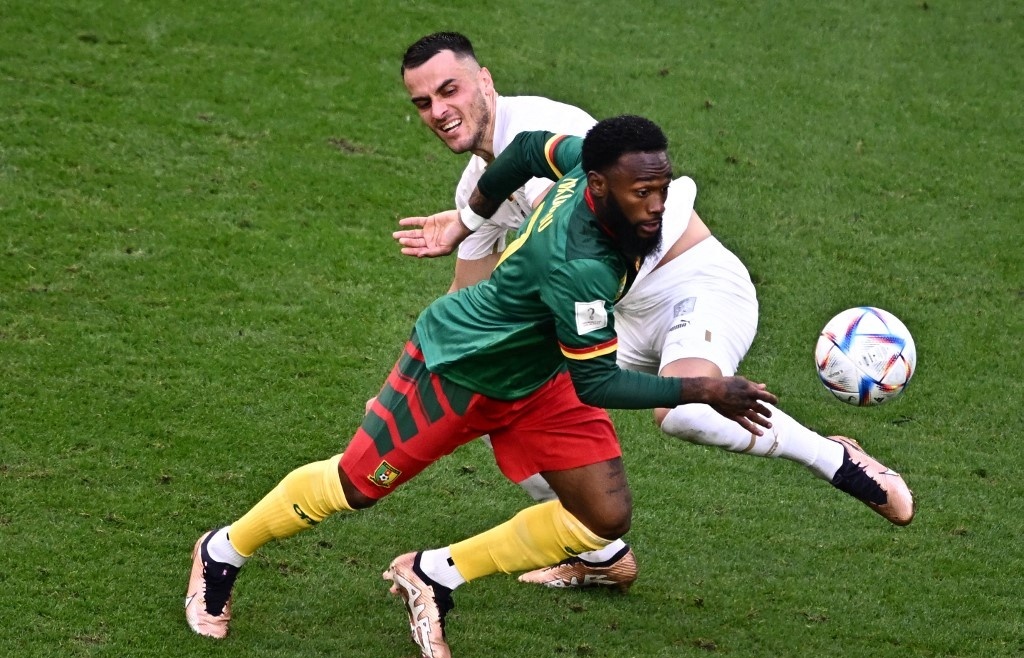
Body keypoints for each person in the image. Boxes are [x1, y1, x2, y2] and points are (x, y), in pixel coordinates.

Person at [185, 115, 779, 658]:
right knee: (356, 486)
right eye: (641, 193)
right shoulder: (582, 266)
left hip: (540, 376)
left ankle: (434, 573)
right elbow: (598, 381)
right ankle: (222, 550)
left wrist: (468, 220)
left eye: (662, 188)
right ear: (599, 186)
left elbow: (526, 148)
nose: (657, 206)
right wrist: (703, 389)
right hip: (460, 368)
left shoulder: (584, 162)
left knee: (603, 516)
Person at [394, 32, 915, 593]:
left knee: (685, 414)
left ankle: (835, 459)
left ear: (484, 81)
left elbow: (569, 249)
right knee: (509, 400)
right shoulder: (476, 189)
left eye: (449, 90)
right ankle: (601, 555)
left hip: (692, 287)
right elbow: (467, 304)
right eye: (424, 102)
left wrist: (478, 237)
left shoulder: (545, 126)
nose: (439, 111)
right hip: (615, 317)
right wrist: (410, 383)